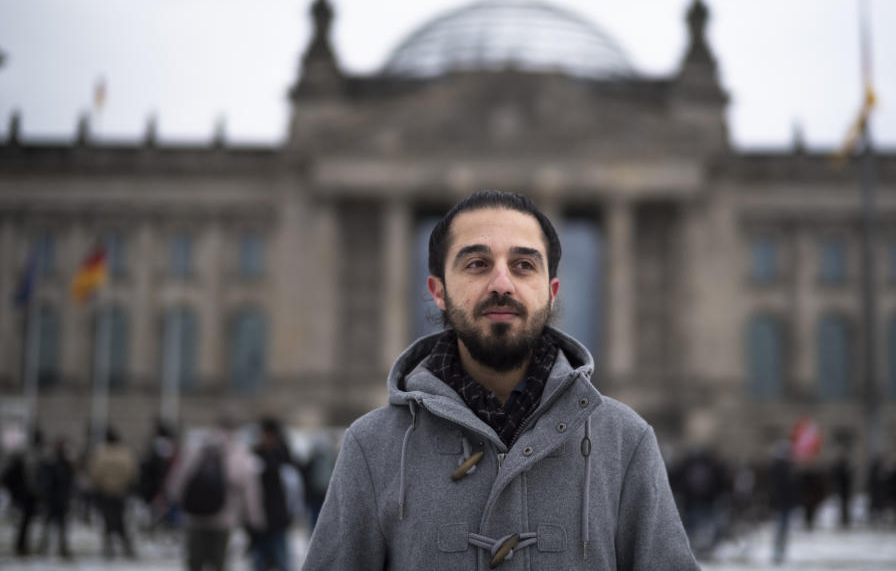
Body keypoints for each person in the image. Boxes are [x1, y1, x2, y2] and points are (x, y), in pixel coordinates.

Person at [302, 190, 699, 570]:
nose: (502, 284)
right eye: (476, 264)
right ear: (438, 290)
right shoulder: (371, 447)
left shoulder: (626, 442)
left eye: (524, 265)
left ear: (552, 292)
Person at [167, 414, 265, 571]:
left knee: (194, 562)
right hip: (224, 517)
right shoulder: (238, 452)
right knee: (219, 562)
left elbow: (178, 479)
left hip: (194, 516)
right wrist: (254, 518)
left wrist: (176, 500)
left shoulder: (196, 449)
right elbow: (249, 488)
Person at [251, 417, 295, 571]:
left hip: (277, 517)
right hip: (259, 518)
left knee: (281, 559)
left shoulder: (282, 456)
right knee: (259, 561)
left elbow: (292, 488)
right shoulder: (255, 454)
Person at [88, 426, 138, 559]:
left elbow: (95, 473)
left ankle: (109, 547)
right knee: (122, 521)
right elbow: (131, 472)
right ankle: (127, 548)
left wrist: (98, 486)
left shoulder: (101, 453)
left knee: (107, 520)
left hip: (105, 491)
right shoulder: (125, 453)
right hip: (121, 491)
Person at [1, 427, 45, 556]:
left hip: (27, 495)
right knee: (25, 523)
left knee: (25, 523)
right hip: (27, 495)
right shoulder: (29, 456)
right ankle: (21, 546)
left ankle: (21, 546)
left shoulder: (25, 455)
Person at [38, 436, 75, 559]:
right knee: (53, 525)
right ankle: (47, 546)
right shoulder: (56, 463)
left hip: (58, 499)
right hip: (56, 499)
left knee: (58, 525)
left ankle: (53, 547)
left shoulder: (62, 463)